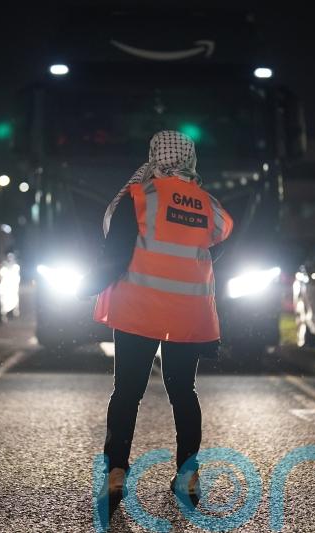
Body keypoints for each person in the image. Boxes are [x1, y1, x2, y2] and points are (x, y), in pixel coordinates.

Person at [79, 131, 233, 503]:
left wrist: (86, 286)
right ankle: (188, 473)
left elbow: (115, 253)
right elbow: (221, 243)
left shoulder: (139, 196)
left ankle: (117, 472)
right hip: (187, 314)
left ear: (154, 156)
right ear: (189, 158)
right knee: (183, 392)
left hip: (138, 311)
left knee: (127, 392)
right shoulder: (208, 204)